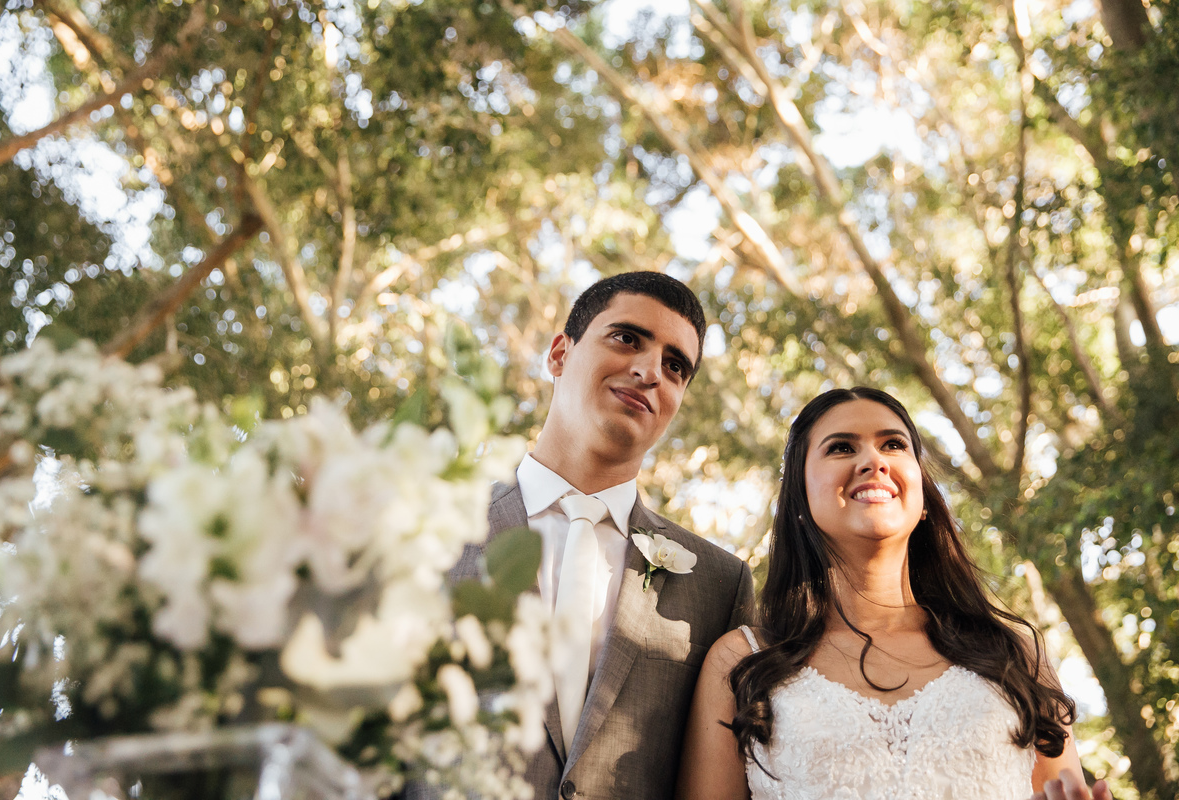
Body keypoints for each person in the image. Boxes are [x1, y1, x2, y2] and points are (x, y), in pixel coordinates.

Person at [676, 387, 1113, 800]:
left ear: (921, 494)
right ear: (800, 501)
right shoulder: (742, 662)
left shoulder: (1016, 656)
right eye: (841, 447)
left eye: (893, 445)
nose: (874, 460)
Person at [454, 271, 755, 800]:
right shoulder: (432, 527)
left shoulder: (720, 584)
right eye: (627, 338)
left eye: (675, 366)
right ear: (559, 355)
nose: (650, 371)